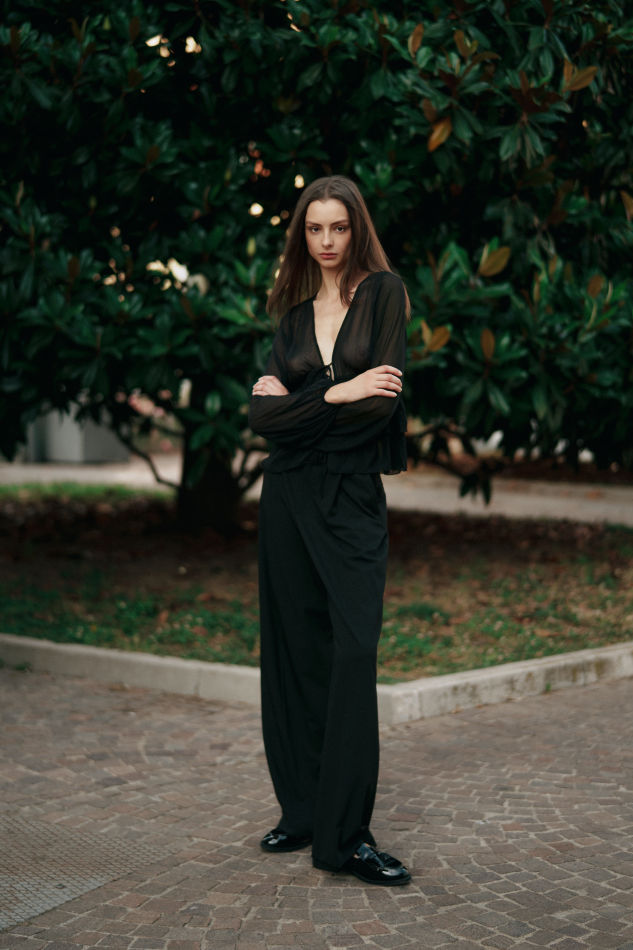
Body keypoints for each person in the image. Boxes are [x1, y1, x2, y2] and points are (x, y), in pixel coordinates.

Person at [248, 175, 411, 886]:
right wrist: (339, 392)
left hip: (350, 500)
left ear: (356, 229)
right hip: (286, 498)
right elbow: (260, 420)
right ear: (301, 235)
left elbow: (378, 410)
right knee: (294, 651)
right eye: (313, 229)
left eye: (337, 227)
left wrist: (302, 406)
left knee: (353, 651)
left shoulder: (383, 294)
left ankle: (346, 837)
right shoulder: (291, 319)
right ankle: (305, 810)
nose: (326, 241)